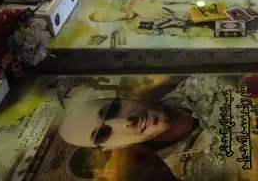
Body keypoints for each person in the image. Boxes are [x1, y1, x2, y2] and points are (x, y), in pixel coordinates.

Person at [58, 75, 246, 180]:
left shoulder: (203, 81)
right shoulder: (197, 174)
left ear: (127, 98)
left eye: (114, 109)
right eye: (103, 134)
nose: (125, 122)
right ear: (114, 147)